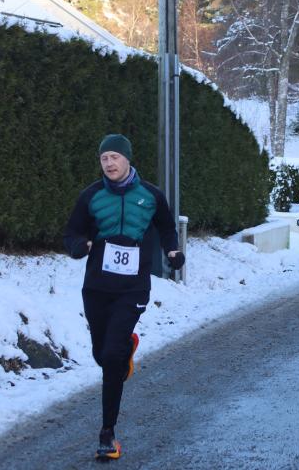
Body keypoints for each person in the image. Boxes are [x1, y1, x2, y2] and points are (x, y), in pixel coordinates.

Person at [63, 134, 185, 460]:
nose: (109, 164)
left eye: (115, 157)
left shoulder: (151, 196)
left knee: (112, 357)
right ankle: (126, 348)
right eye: (104, 159)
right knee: (103, 356)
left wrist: (173, 251)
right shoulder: (90, 196)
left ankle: (107, 434)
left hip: (132, 288)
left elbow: (167, 228)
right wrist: (78, 246)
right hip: (97, 288)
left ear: (127, 159)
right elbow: (72, 232)